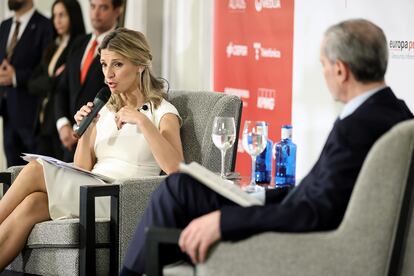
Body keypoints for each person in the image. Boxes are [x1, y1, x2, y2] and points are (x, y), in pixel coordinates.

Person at [120, 19, 414, 275]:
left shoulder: (359, 128)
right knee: (183, 186)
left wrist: (225, 221)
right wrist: (260, 194)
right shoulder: (396, 114)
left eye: (323, 66)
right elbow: (326, 191)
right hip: (292, 208)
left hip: (299, 232)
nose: (322, 74)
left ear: (340, 71)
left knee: (177, 192)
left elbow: (315, 212)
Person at [0, 28, 184, 270]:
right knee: (32, 204)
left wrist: (142, 121)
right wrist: (87, 129)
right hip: (90, 189)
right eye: (104, 64)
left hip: (121, 197)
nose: (108, 74)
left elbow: (176, 170)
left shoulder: (163, 112)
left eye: (117, 64)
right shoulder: (106, 109)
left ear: (140, 64)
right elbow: (82, 166)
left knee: (36, 169)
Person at [54, 0, 122, 162]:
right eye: (93, 6)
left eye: (103, 7)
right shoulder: (78, 43)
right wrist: (63, 124)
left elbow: (118, 94)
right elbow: (62, 88)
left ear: (117, 10)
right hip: (68, 139)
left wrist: (86, 128)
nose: (96, 13)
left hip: (99, 138)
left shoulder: (121, 46)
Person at [28, 0, 85, 160]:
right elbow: (32, 83)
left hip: (61, 120)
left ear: (73, 16)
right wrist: (53, 80)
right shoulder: (52, 46)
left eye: (62, 15)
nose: (57, 21)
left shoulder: (79, 45)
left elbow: (65, 84)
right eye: (54, 16)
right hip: (43, 120)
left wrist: (51, 82)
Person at [0, 0, 53, 166]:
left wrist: (16, 76)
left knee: (33, 171)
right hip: (7, 112)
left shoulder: (45, 26)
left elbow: (47, 71)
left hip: (32, 115)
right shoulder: (5, 25)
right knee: (11, 172)